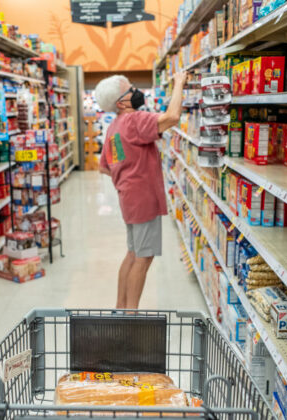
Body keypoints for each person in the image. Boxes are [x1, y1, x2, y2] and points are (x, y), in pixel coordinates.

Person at [94, 71, 187, 309]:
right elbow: (172, 117)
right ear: (121, 102)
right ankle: (131, 316)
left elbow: (104, 166)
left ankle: (121, 307)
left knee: (133, 254)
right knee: (144, 258)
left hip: (128, 198)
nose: (136, 91)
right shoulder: (135, 120)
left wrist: (128, 170)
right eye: (131, 88)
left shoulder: (114, 127)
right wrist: (179, 83)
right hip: (144, 199)